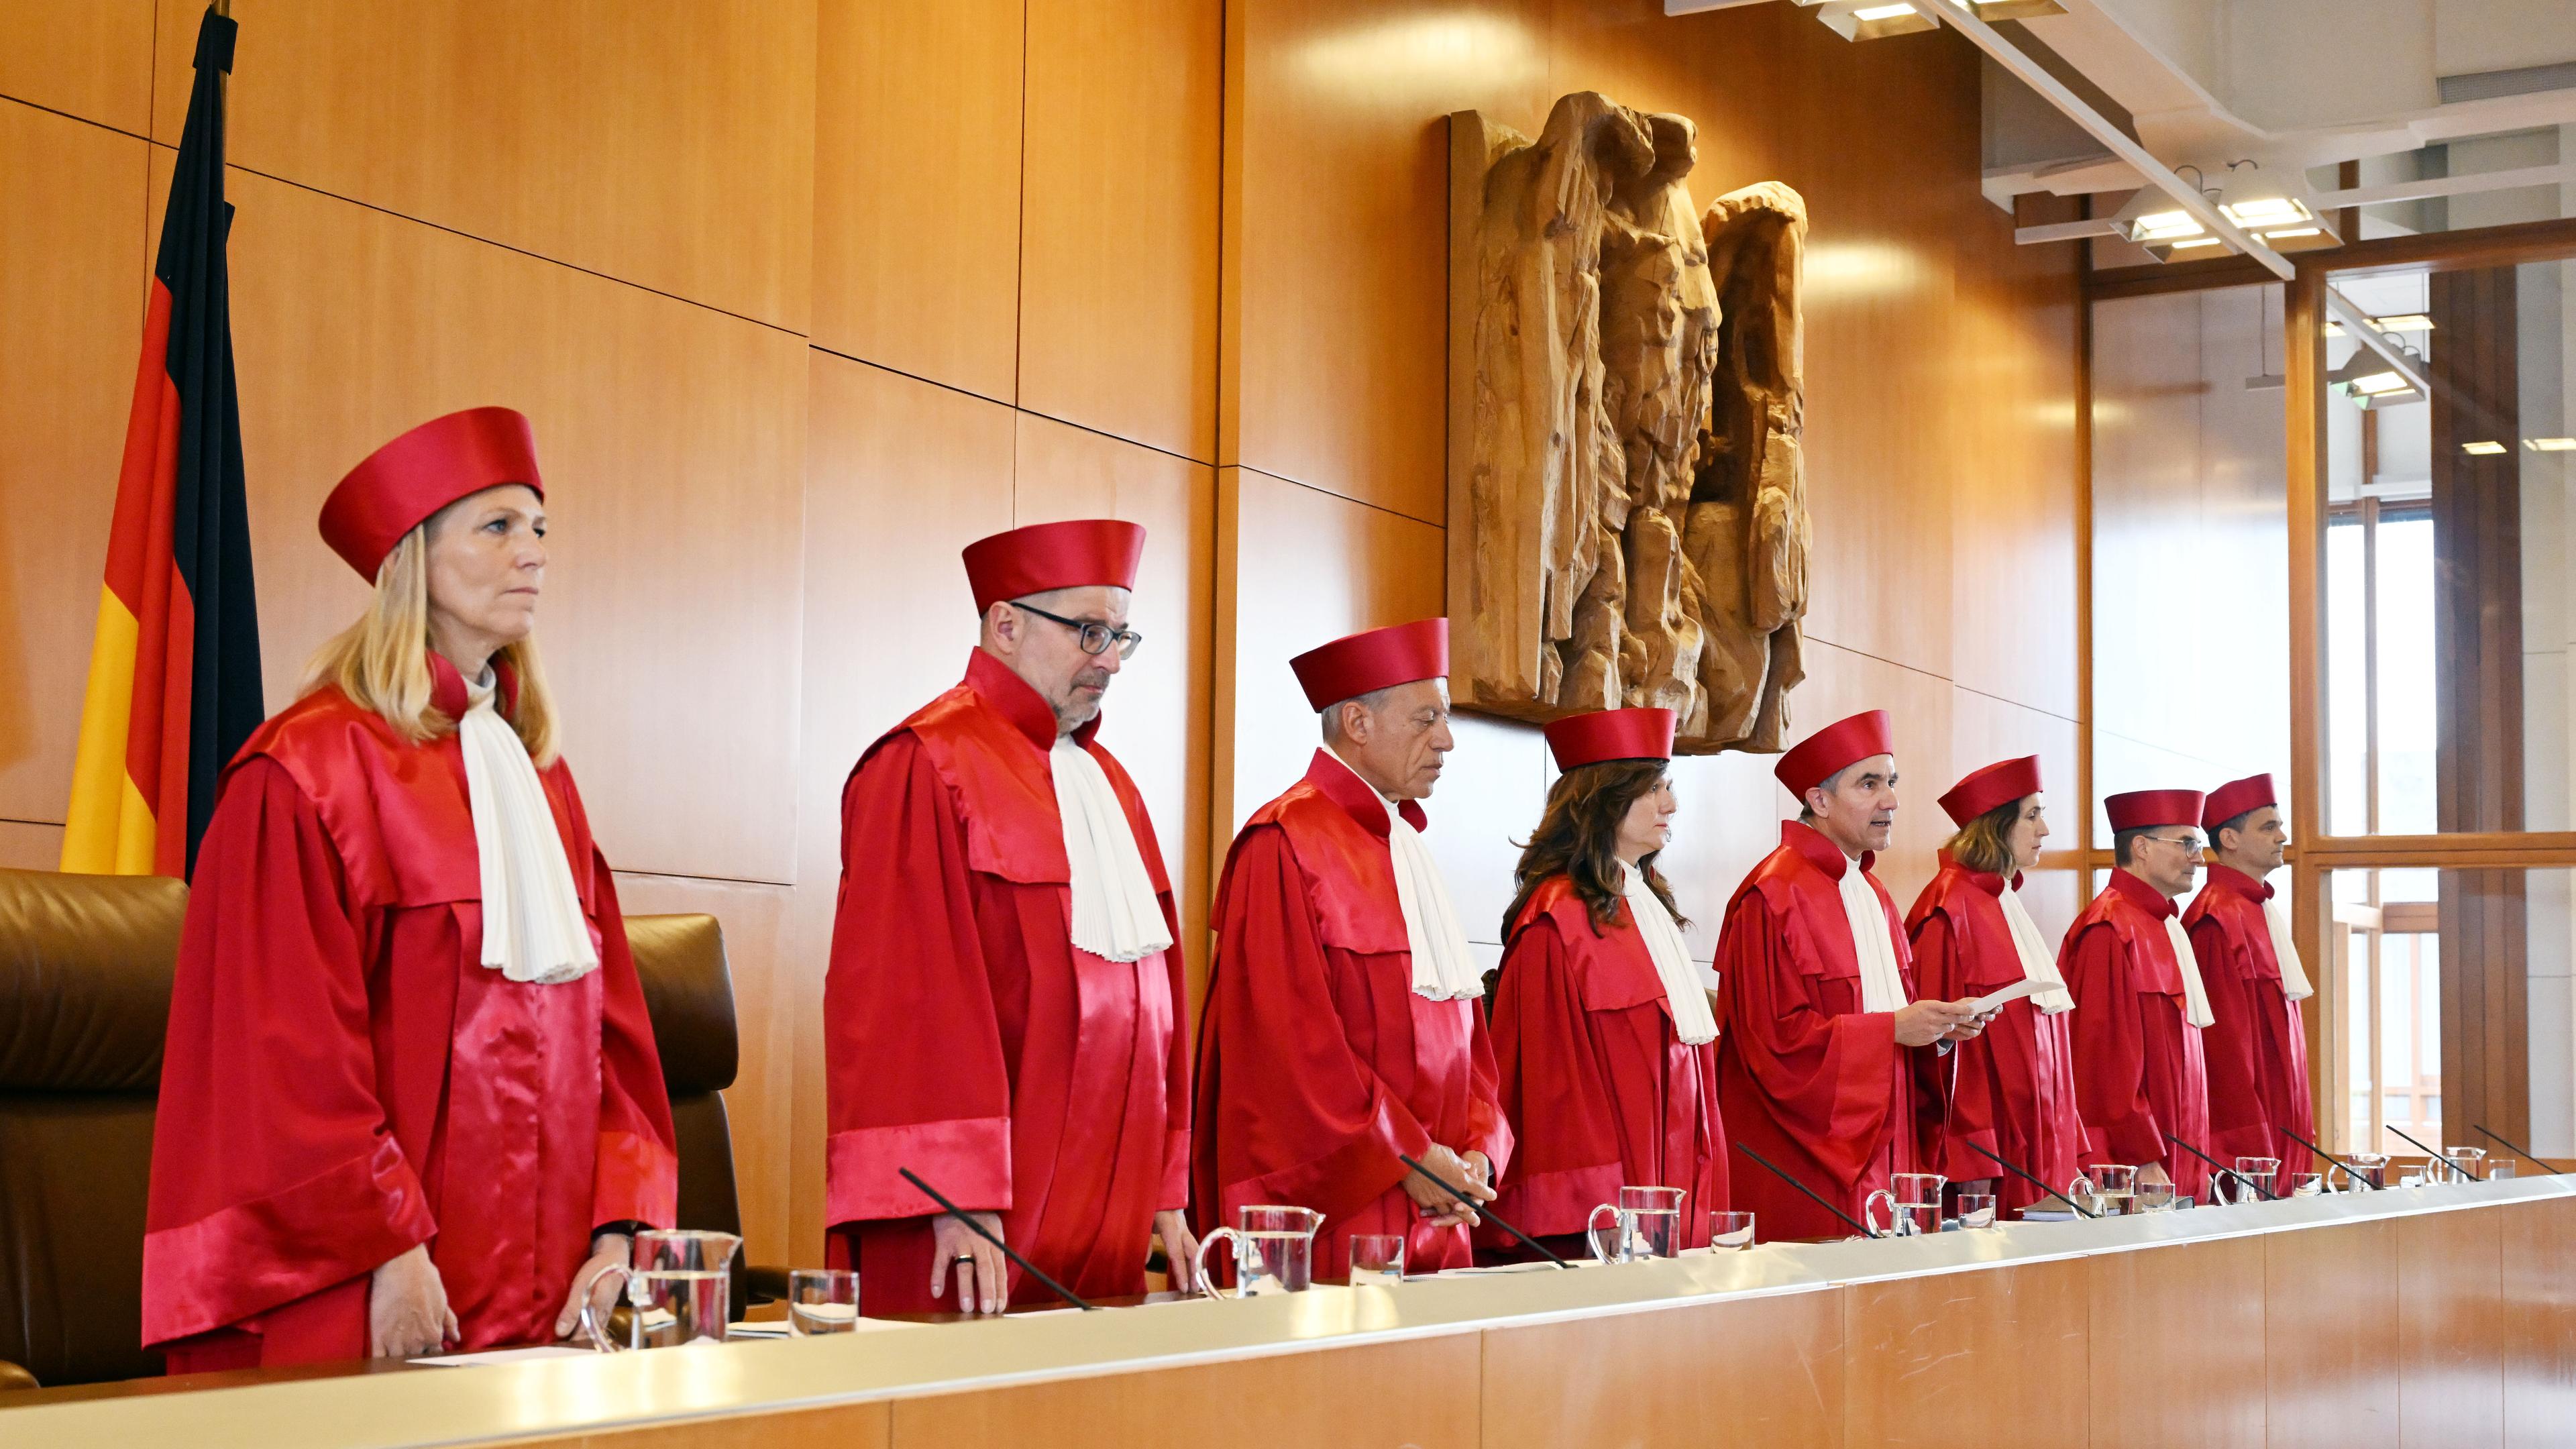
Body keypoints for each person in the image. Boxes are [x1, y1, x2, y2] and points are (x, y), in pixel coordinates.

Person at [142, 407, 678, 1368]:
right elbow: (289, 1059)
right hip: (384, 1278)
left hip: (550, 1288)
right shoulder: (306, 774)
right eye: (499, 527)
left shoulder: (540, 778)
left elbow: (615, 1036)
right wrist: (386, 1248)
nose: (534, 556)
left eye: (541, 530)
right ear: (410, 558)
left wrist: (622, 1228)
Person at [824, 519, 1195, 1316]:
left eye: (1121, 636)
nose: (1107, 658)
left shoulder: (1113, 788)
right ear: (1005, 624)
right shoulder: (925, 763)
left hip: (1110, 1213)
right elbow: (901, 1007)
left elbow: (1156, 1008)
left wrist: (1163, 1182)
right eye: (1089, 630)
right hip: (975, 1219)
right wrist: (948, 1190)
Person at [1191, 619, 1511, 1280]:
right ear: (1358, 724)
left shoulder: (1409, 850)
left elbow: (1465, 1037)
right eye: (1426, 719)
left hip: (1440, 1208)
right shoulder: (1285, 844)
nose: (1447, 740)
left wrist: (1478, 1151)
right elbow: (1286, 1053)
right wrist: (1407, 1158)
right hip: (1344, 1216)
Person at [1713, 710, 1983, 1241]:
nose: (1891, 801)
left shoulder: (1875, 896)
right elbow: (1772, 1047)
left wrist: (1937, 1033)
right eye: (1869, 784)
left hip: (1889, 1152)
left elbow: (1897, 1023)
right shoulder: (1772, 898)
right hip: (1808, 1163)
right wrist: (1892, 1031)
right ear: (1818, 800)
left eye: (1892, 783)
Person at [1487, 707, 1725, 1254]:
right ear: (1603, 799)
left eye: (1669, 786)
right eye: (1654, 788)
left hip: (1671, 1187)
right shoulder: (1557, 919)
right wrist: (1604, 1219)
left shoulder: (1646, 902)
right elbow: (1552, 1091)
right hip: (1609, 1217)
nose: (1671, 804)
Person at [1905, 757, 2086, 1219]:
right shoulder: (1949, 910)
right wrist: (1974, 1154)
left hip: (2032, 1152)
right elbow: (1942, 1049)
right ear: (1993, 827)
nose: (2044, 829)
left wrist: (2068, 1147)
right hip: (1987, 1168)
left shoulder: (2001, 901)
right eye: (2032, 815)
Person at [2064, 789, 2218, 1202]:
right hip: (2136, 1167)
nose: (2199, 858)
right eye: (2187, 843)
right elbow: (2104, 1062)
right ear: (2141, 847)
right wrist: (2142, 1155)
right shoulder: (2109, 928)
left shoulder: (2164, 923)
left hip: (2178, 1154)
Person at [2183, 774, 2316, 1178]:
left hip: (2280, 1129)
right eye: (2269, 827)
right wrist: (2248, 1152)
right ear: (2230, 838)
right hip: (2249, 1149)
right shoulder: (2215, 919)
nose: (2283, 836)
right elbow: (2222, 1050)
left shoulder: (2256, 908)